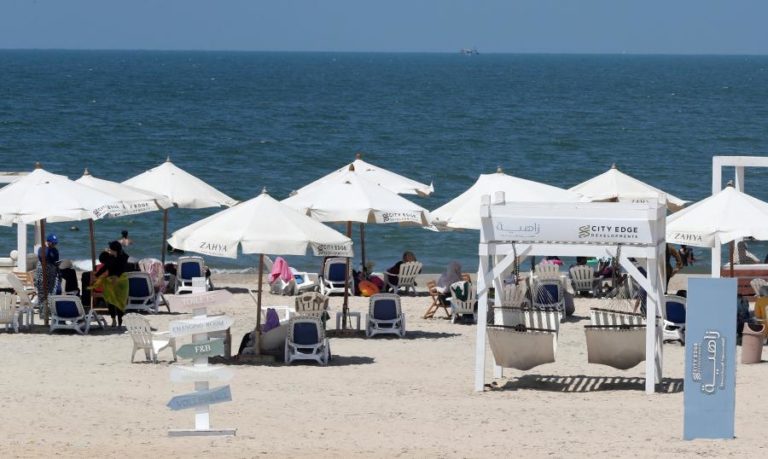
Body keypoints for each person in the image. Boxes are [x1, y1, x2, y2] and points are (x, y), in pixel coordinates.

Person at [94, 241, 130, 327]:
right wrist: (97, 275)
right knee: (110, 301)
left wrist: (117, 277)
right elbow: (105, 267)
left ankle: (120, 321)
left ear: (115, 250)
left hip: (121, 281)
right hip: (110, 281)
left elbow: (123, 269)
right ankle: (113, 320)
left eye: (111, 249)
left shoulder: (124, 257)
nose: (109, 250)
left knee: (119, 301)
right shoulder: (110, 257)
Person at [34, 233, 60, 308]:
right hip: (42, 274)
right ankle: (43, 312)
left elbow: (56, 260)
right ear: (48, 242)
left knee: (52, 292)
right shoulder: (42, 249)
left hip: (52, 274)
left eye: (55, 243)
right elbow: (43, 257)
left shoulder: (55, 250)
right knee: (42, 293)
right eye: (53, 243)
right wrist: (46, 247)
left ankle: (51, 310)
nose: (54, 244)